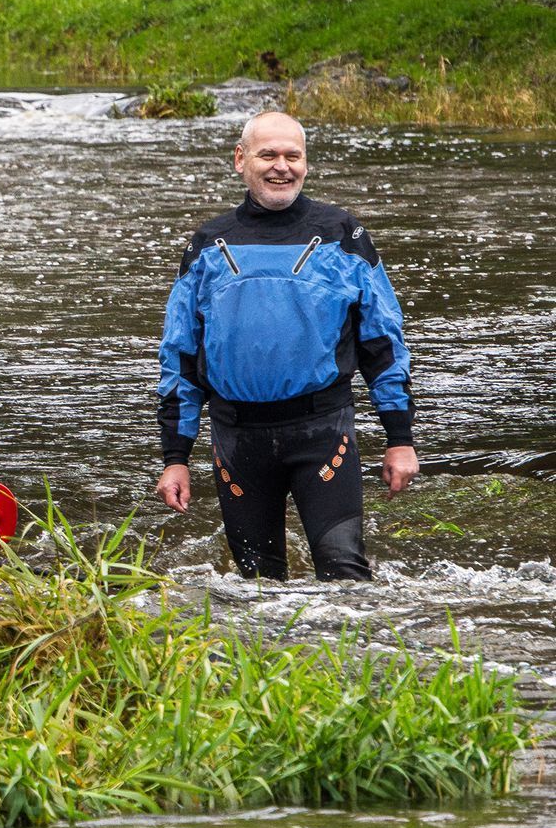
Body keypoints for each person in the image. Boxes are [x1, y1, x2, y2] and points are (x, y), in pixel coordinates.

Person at [155, 111, 417, 580]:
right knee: (256, 588)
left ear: (305, 163)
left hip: (322, 430)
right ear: (241, 160)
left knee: (345, 575)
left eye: (292, 156)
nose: (282, 166)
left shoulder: (344, 235)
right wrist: (176, 458)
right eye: (268, 154)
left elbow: (383, 342)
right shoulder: (209, 244)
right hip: (236, 439)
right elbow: (181, 357)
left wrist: (399, 439)